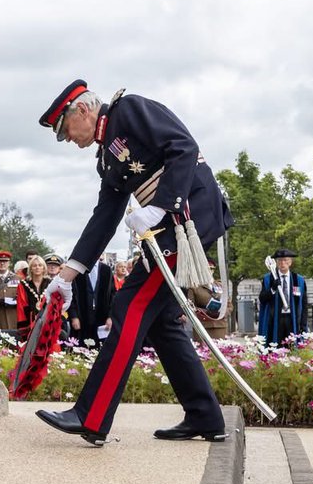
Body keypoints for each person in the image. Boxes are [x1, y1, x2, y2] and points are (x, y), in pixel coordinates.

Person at [32, 79, 232, 445]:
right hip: (170, 228)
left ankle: (90, 416)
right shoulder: (106, 156)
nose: (68, 140)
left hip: (186, 220)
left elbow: (184, 147)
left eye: (66, 130)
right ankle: (205, 416)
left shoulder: (130, 111)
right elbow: (105, 217)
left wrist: (159, 207)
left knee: (130, 307)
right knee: (162, 325)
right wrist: (69, 273)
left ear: (83, 110)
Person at [257, 249, 308, 347]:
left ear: (290, 262)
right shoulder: (268, 279)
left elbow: (304, 303)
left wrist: (303, 324)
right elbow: (262, 299)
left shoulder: (298, 280)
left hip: (292, 318)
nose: (282, 263)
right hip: (275, 319)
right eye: (280, 260)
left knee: (292, 347)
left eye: (285, 260)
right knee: (275, 347)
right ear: (276, 262)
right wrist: (272, 289)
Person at [70, 255, 115, 348]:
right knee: (80, 349)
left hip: (102, 318)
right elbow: (71, 295)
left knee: (100, 350)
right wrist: (74, 316)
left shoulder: (106, 270)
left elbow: (113, 295)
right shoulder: (78, 270)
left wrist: (111, 316)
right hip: (81, 317)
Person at [16, 255, 50, 342]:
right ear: (30, 269)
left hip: (47, 321)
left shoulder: (51, 284)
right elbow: (21, 305)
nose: (37, 268)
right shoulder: (23, 284)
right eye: (34, 265)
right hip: (29, 322)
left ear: (44, 268)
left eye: (40, 265)